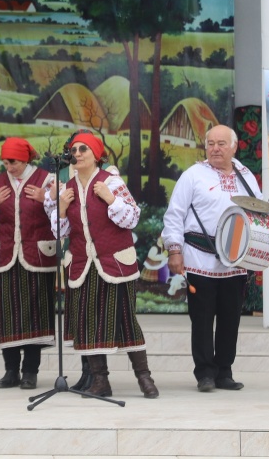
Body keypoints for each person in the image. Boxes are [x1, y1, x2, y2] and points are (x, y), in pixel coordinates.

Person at [52, 132, 158, 399]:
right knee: (88, 322)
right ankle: (101, 380)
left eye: (83, 149)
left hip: (114, 263)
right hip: (82, 264)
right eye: (74, 150)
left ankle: (144, 377)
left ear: (96, 154)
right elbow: (60, 232)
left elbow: (132, 217)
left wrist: (111, 199)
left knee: (126, 320)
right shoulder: (68, 188)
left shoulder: (111, 181)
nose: (77, 154)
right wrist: (61, 209)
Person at [161, 125, 262, 393]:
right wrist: (174, 250)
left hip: (235, 261)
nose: (215, 149)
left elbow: (259, 214)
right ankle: (205, 373)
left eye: (221, 144)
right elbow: (174, 215)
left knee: (231, 318)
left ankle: (224, 372)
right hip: (199, 258)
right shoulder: (192, 175)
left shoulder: (246, 176)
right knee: (203, 319)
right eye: (211, 144)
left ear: (234, 147)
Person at [0, 137, 56, 390]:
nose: (8, 167)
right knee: (8, 313)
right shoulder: (0, 181)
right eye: (5, 162)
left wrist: (46, 198)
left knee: (36, 313)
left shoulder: (46, 179)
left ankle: (30, 371)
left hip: (37, 255)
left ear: (24, 159)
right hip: (7, 254)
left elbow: (60, 215)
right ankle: (10, 370)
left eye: (12, 162)